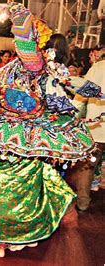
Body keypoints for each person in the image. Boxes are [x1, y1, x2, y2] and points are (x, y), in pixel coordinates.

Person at [0, 2, 101, 258]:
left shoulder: (36, 63)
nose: (20, 43)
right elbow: (73, 83)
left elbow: (65, 78)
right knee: (17, 186)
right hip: (23, 133)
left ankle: (16, 236)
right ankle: (9, 237)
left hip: (28, 134)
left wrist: (18, 11)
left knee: (13, 188)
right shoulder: (36, 65)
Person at [73, 47, 105, 210]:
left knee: (88, 166)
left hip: (96, 128)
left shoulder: (97, 68)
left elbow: (81, 97)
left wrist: (72, 117)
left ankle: (83, 203)